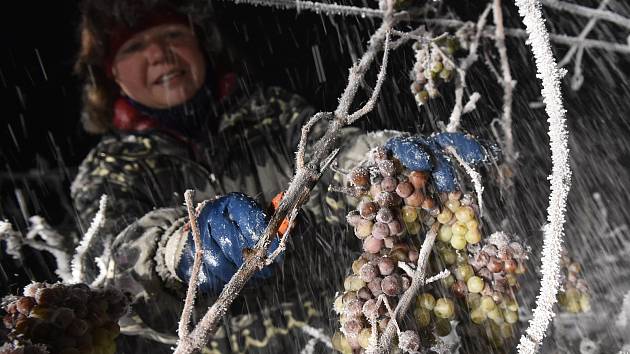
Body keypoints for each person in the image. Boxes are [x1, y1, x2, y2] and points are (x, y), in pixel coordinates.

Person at [68, 0, 492, 352]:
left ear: (201, 43)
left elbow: (335, 153)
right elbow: (108, 273)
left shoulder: (271, 115)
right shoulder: (110, 170)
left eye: (174, 34)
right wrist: (175, 249)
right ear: (111, 75)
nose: (160, 53)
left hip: (334, 339)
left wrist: (383, 164)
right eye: (135, 45)